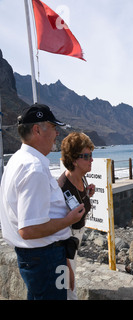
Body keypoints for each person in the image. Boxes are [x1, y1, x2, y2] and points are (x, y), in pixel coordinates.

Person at [0, 104, 85, 300]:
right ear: (37, 130)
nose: (57, 133)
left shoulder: (18, 160)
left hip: (45, 257)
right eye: (54, 128)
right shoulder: (34, 168)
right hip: (45, 258)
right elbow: (29, 230)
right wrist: (69, 219)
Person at [57, 132, 95, 300]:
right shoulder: (62, 188)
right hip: (66, 245)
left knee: (69, 287)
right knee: (68, 289)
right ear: (73, 160)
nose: (91, 160)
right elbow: (57, 228)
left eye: (91, 155)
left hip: (75, 242)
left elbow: (77, 203)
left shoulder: (80, 177)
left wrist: (87, 193)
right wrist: (66, 262)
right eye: (86, 156)